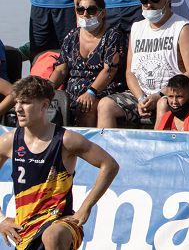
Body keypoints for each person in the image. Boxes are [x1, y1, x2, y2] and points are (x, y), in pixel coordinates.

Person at [0, 76, 120, 250]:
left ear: (44, 106)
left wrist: (85, 207)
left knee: (52, 235)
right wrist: (2, 220)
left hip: (62, 222)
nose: (18, 109)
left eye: (25, 103)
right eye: (17, 102)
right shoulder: (9, 141)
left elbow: (109, 165)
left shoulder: (65, 139)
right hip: (26, 229)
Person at [96, 0, 189, 128]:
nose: (149, 4)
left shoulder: (183, 28)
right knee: (105, 105)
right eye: (144, 0)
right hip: (143, 94)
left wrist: (161, 95)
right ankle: (106, 151)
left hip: (181, 93)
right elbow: (130, 73)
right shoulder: (136, 28)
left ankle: (157, 149)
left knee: (163, 104)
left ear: (168, 0)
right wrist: (141, 98)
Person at [49, 0, 128, 127]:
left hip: (101, 92)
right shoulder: (72, 36)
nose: (85, 14)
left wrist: (91, 92)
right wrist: (47, 88)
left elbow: (109, 70)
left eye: (91, 10)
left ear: (102, 13)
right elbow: (61, 69)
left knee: (85, 105)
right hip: (71, 95)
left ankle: (84, 146)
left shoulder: (113, 35)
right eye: (81, 10)